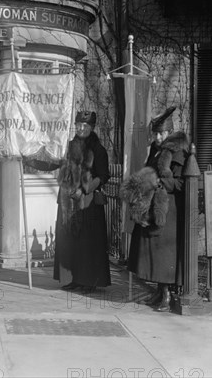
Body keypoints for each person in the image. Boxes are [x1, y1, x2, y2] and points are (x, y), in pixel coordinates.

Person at [25, 111, 111, 293]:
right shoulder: (67, 147)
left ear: (92, 128)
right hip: (67, 202)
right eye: (78, 125)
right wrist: (30, 161)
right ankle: (74, 279)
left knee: (88, 243)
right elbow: (52, 163)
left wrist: (85, 189)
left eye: (85, 126)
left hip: (87, 204)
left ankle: (89, 281)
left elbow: (104, 175)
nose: (81, 128)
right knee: (70, 242)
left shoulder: (98, 150)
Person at [126, 106, 189, 312]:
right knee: (152, 252)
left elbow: (181, 183)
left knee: (165, 256)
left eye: (162, 133)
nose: (158, 137)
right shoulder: (156, 149)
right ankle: (159, 292)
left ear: (170, 132)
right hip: (153, 206)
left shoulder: (178, 151)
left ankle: (167, 295)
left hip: (169, 212)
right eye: (156, 133)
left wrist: (161, 183)